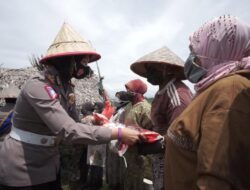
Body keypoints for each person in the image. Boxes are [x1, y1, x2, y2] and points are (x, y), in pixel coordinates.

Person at [0, 22, 142, 190]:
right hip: (23, 167)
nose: (84, 67)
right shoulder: (38, 86)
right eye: (82, 61)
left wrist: (91, 120)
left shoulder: (66, 88)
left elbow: (74, 122)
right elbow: (68, 131)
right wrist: (118, 133)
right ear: (66, 60)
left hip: (49, 164)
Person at [165, 15, 250, 190]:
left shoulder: (230, 90)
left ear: (215, 50)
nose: (191, 58)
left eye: (195, 51)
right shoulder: (214, 88)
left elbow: (218, 180)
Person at [130, 47, 193, 190]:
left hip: (174, 159)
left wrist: (142, 147)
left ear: (165, 68)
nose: (147, 76)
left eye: (151, 70)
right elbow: (160, 126)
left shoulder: (176, 95)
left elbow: (180, 138)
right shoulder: (161, 93)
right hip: (162, 155)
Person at [122, 79, 153, 190]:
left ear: (138, 92)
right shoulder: (129, 106)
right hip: (128, 150)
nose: (127, 92)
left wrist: (137, 134)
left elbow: (150, 130)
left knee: (141, 177)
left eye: (130, 90)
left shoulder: (145, 108)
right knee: (129, 175)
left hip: (141, 151)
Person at [106, 91, 131, 190]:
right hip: (112, 139)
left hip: (119, 140)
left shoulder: (125, 110)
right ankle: (112, 183)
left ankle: (117, 185)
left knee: (118, 165)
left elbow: (123, 124)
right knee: (112, 163)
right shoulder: (117, 109)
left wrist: (113, 126)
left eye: (118, 98)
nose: (116, 100)